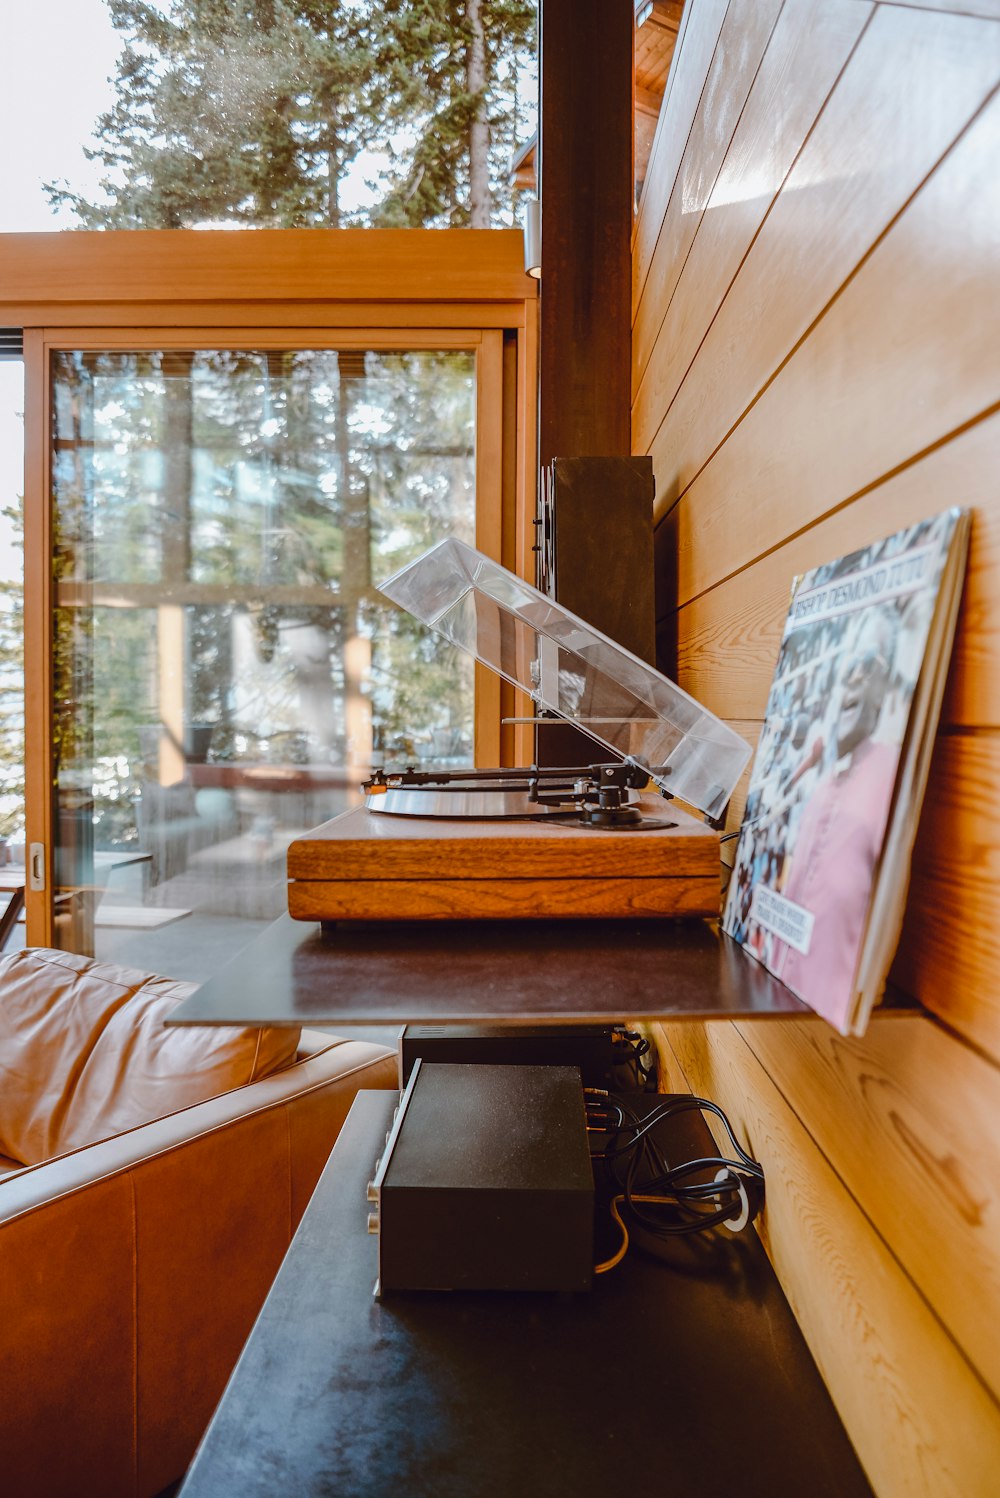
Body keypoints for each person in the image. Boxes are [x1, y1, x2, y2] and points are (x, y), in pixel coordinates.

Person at [771, 611, 900, 1027]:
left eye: (867, 666)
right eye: (846, 669)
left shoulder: (889, 775)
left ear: (886, 691)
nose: (852, 679)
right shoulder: (822, 783)